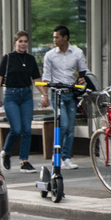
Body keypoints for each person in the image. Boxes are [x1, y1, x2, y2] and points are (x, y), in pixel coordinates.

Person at [0, 31, 46, 173]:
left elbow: (36, 80)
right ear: (15, 43)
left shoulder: (30, 59)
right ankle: (5, 152)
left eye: (25, 41)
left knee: (27, 130)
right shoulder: (8, 58)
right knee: (16, 129)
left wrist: (44, 95)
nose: (23, 44)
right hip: (11, 95)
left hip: (26, 96)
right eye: (20, 41)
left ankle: (24, 161)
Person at [41, 25, 88, 170]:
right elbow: (46, 77)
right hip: (57, 94)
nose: (54, 40)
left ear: (65, 38)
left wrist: (82, 80)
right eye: (54, 37)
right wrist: (45, 95)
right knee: (63, 125)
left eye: (57, 37)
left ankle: (67, 157)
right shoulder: (50, 55)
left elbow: (83, 71)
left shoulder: (77, 53)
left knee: (70, 127)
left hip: (71, 93)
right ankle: (58, 156)